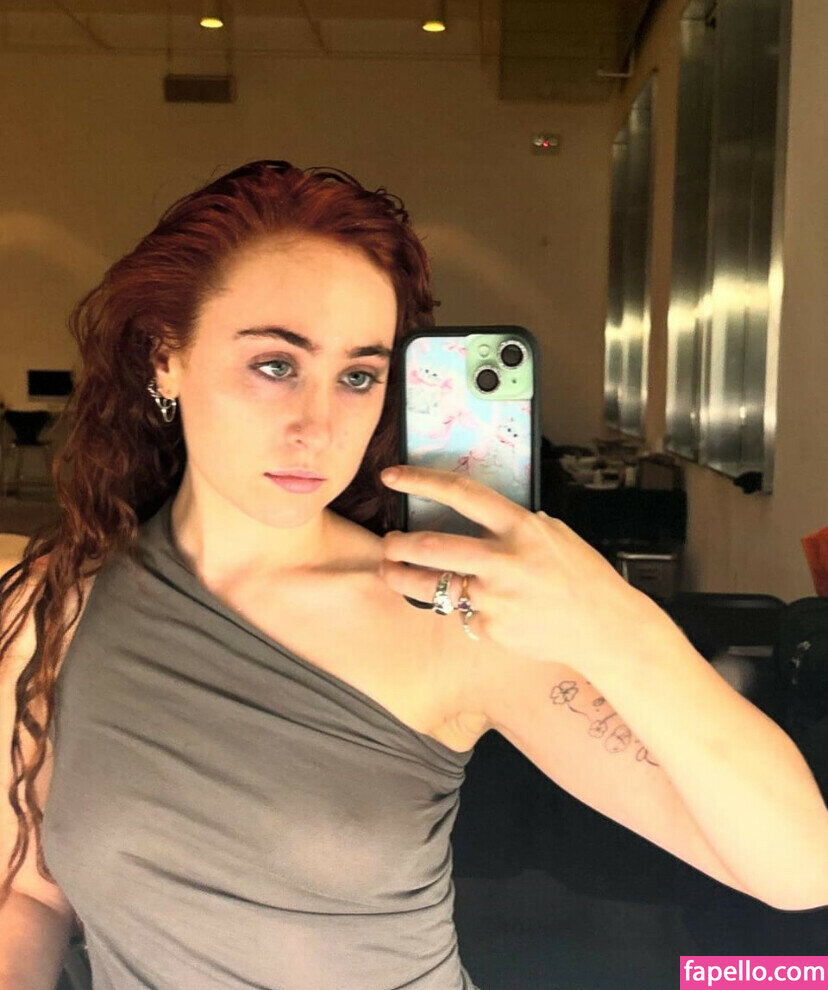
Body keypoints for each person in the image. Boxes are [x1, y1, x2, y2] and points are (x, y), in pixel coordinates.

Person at [2, 159, 827, 990]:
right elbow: (27, 895)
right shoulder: (56, 607)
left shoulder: (447, 610)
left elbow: (799, 869)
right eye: (276, 366)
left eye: (358, 376)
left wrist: (617, 623)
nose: (320, 426)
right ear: (165, 358)